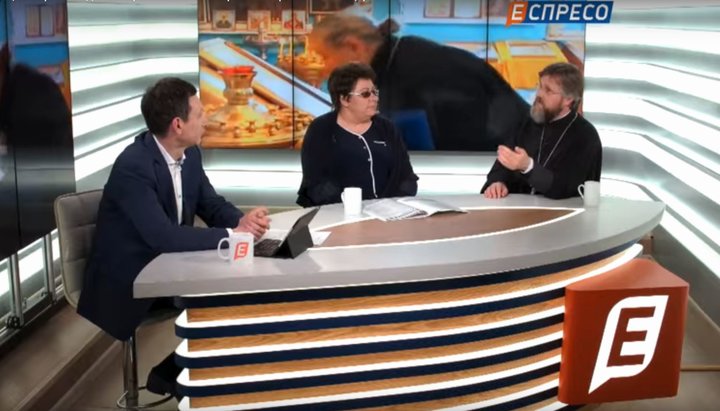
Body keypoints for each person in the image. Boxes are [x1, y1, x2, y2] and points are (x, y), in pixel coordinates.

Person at [77, 77, 270, 394]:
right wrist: (232, 235)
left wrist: (242, 221)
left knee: (242, 288)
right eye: (200, 113)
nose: (207, 118)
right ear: (178, 125)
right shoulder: (133, 166)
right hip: (131, 277)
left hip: (171, 264)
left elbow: (210, 203)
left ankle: (178, 373)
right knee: (224, 294)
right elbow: (163, 237)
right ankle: (178, 375)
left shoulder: (190, 155)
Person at [308, 14, 529, 151]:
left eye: (324, 57)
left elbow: (425, 154)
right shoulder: (400, 55)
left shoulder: (413, 73)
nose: (324, 70)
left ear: (353, 46)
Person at [297, 62, 417, 207]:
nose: (374, 98)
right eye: (365, 94)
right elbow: (316, 183)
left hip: (388, 212)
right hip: (338, 212)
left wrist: (389, 205)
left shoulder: (387, 128)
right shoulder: (321, 129)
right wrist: (351, 207)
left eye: (375, 92)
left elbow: (406, 177)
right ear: (344, 99)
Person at [481, 62, 602, 199]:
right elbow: (501, 166)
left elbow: (565, 187)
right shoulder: (525, 123)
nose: (539, 94)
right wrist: (497, 182)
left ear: (568, 100)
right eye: (539, 86)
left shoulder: (585, 136)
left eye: (548, 90)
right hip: (516, 208)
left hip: (561, 211)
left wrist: (528, 166)